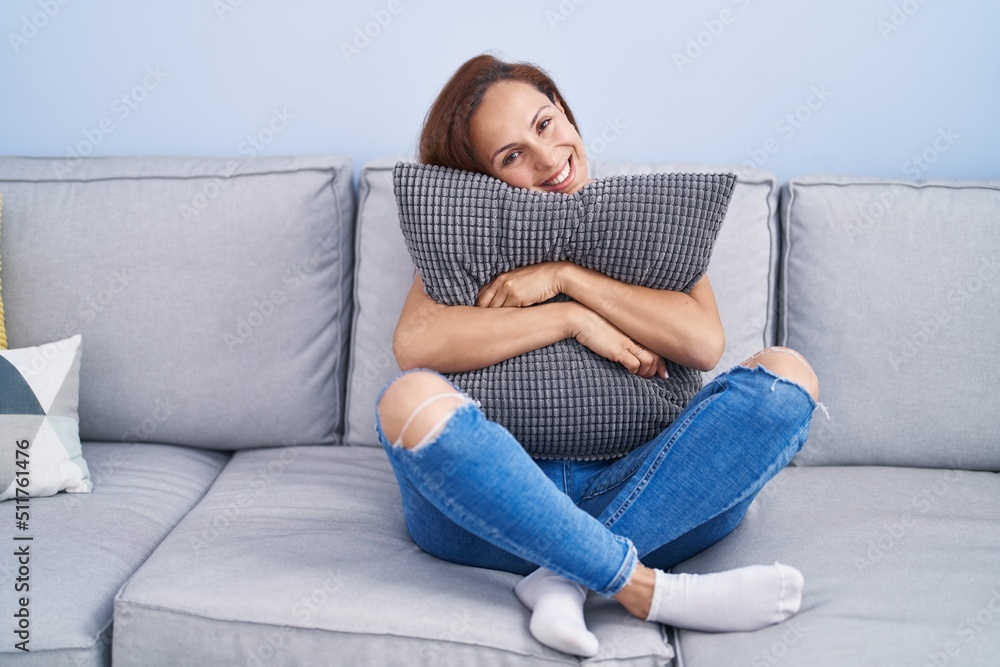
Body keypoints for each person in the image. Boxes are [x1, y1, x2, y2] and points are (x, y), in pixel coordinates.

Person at [376, 54, 821, 658]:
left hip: (649, 491)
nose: (546, 157)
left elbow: (701, 343)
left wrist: (568, 278)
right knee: (408, 400)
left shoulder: (647, 222)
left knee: (787, 377)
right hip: (496, 507)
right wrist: (568, 320)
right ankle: (644, 589)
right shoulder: (467, 229)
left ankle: (563, 577)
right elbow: (415, 346)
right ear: (478, 178)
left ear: (562, 108)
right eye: (510, 156)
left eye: (543, 123)